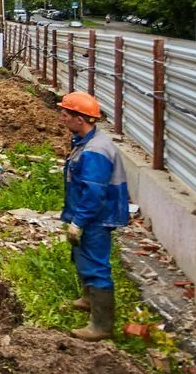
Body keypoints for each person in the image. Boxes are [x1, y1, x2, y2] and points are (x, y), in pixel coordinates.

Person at [59, 91, 129, 342]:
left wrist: (79, 221)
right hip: (87, 212)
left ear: (81, 119)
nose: (62, 118)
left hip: (96, 216)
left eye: (66, 114)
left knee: (96, 265)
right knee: (81, 255)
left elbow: (94, 192)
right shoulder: (84, 141)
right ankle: (88, 299)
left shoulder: (95, 151)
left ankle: (101, 326)